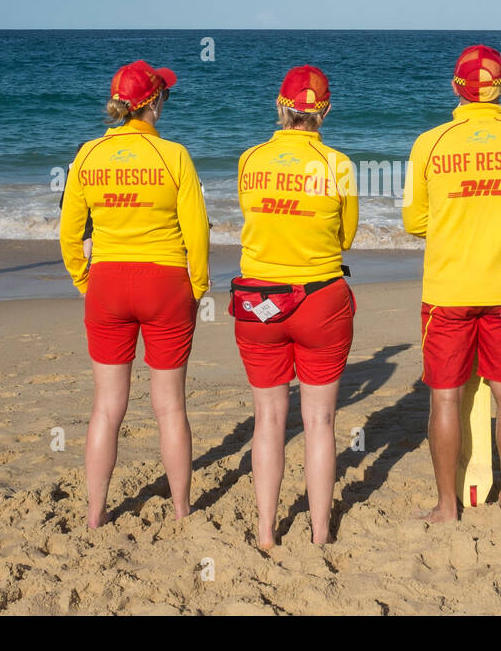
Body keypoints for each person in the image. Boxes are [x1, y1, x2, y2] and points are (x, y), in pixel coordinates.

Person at [402, 45, 501, 522]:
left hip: (448, 289)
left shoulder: (430, 143)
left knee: (445, 395)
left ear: (455, 88)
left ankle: (448, 506)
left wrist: (457, 226)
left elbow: (414, 221)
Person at [59, 61, 209, 529]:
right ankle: (182, 509)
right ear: (153, 103)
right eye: (165, 95)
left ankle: (95, 513)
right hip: (164, 284)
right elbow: (197, 233)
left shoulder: (87, 154)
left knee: (106, 407)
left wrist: (86, 280)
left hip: (107, 283)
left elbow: (67, 233)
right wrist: (197, 287)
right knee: (169, 406)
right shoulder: (174, 155)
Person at [233, 66, 358, 550]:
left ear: (279, 107)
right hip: (320, 296)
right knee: (320, 422)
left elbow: (255, 218)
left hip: (258, 299)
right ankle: (320, 532)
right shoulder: (338, 165)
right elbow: (345, 237)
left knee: (267, 418)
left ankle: (266, 532)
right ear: (324, 111)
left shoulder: (250, 159)